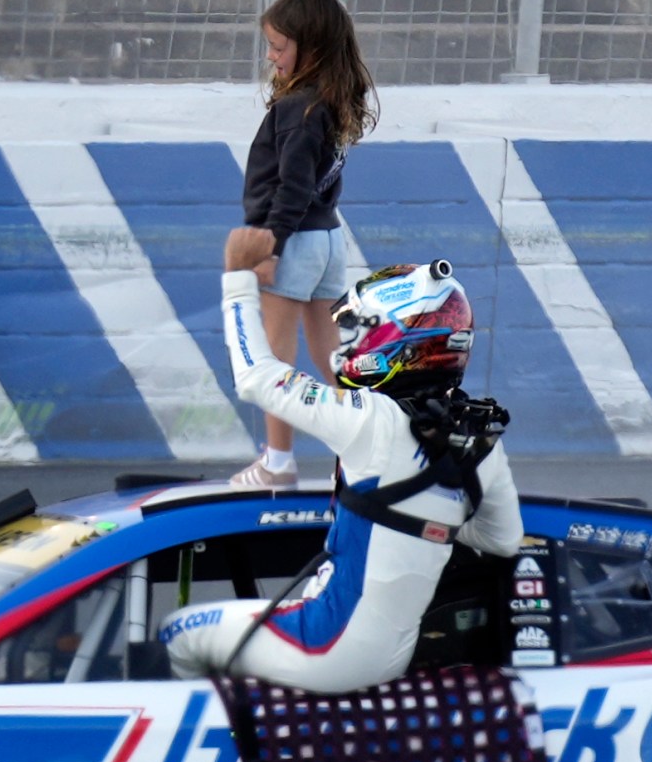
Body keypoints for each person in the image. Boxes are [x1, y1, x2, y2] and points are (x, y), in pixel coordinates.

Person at [160, 228, 521, 693]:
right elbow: (504, 539)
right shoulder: (480, 439)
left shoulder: (369, 419)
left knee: (181, 632)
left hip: (326, 644)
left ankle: (199, 752)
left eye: (360, 330)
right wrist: (430, 514)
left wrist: (238, 277)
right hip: (392, 657)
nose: (346, 345)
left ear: (401, 341)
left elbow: (255, 378)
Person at [228, 0, 378, 489]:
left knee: (273, 358)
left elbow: (291, 187)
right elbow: (312, 30)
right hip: (327, 241)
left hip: (294, 240)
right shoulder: (334, 92)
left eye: (277, 47)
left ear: (307, 49)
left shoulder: (296, 110)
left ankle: (278, 462)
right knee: (334, 356)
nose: (271, 56)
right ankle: (367, 442)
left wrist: (268, 246)